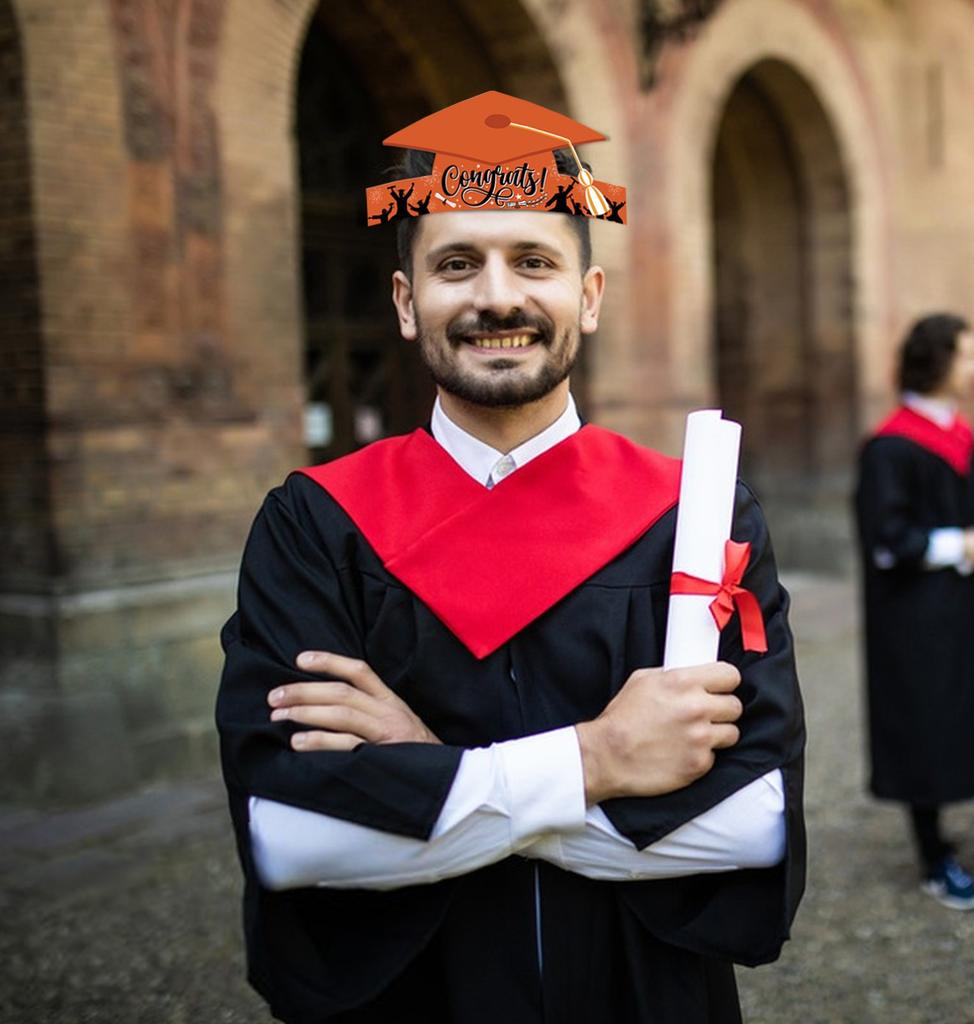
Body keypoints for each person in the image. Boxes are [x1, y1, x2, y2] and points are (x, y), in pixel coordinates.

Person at [217, 92, 805, 1024]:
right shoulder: (315, 527)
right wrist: (597, 758)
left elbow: (749, 821)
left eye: (534, 260)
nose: (497, 296)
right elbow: (297, 833)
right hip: (411, 995)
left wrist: (431, 773)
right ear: (408, 304)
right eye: (457, 264)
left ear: (590, 295)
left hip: (641, 992)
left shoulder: (693, 515)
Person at [855, 312, 974, 911]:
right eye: (967, 355)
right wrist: (963, 545)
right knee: (926, 724)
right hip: (917, 619)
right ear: (939, 361)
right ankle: (934, 858)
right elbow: (887, 540)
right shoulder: (890, 447)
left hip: (971, 609)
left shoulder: (960, 433)